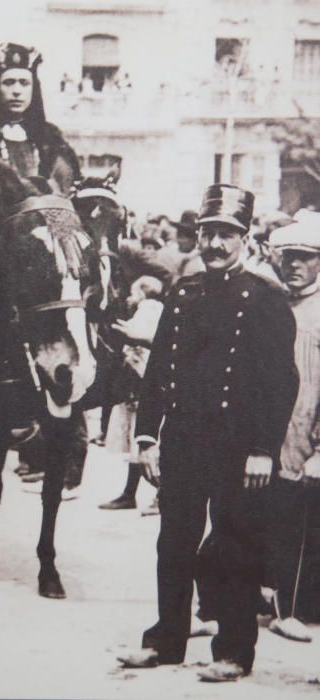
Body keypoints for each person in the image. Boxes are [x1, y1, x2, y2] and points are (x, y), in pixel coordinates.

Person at [118, 184, 298, 682]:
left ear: (244, 238)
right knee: (173, 542)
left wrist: (264, 449)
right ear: (197, 236)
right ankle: (166, 640)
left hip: (239, 448)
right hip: (183, 443)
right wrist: (148, 437)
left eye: (227, 234)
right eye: (208, 233)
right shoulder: (185, 291)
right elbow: (158, 372)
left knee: (235, 545)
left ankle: (235, 650)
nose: (215, 244)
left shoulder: (265, 298)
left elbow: (281, 382)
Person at [265, 214, 320, 640]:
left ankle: (289, 608)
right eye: (289, 257)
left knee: (295, 522)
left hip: (304, 431)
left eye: (305, 258)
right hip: (261, 430)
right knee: (249, 515)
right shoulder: (269, 301)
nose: (295, 266)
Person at [0, 42, 80, 189]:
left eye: (24, 83)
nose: (17, 91)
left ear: (33, 89)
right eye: (9, 83)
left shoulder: (51, 137)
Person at [99, 275, 165, 515]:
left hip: (140, 381)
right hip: (142, 380)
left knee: (146, 442)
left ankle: (158, 494)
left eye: (133, 292)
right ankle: (131, 493)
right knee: (141, 443)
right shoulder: (158, 309)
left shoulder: (147, 309)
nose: (130, 297)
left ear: (142, 293)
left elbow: (138, 344)